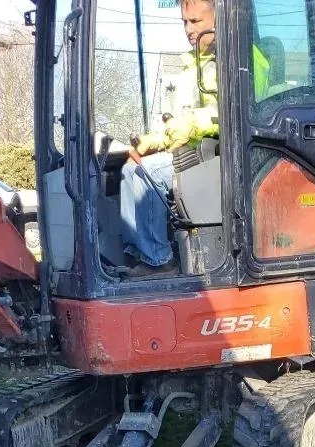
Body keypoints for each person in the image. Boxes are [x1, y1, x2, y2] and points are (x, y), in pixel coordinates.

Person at [120, 0, 269, 275]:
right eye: (185, 22)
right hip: (195, 150)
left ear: (221, 18)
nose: (189, 29)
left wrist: (189, 127)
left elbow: (235, 111)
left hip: (227, 154)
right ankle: (138, 256)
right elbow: (181, 120)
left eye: (196, 21)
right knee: (132, 168)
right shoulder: (192, 66)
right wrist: (155, 140)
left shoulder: (245, 59)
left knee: (145, 173)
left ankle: (157, 261)